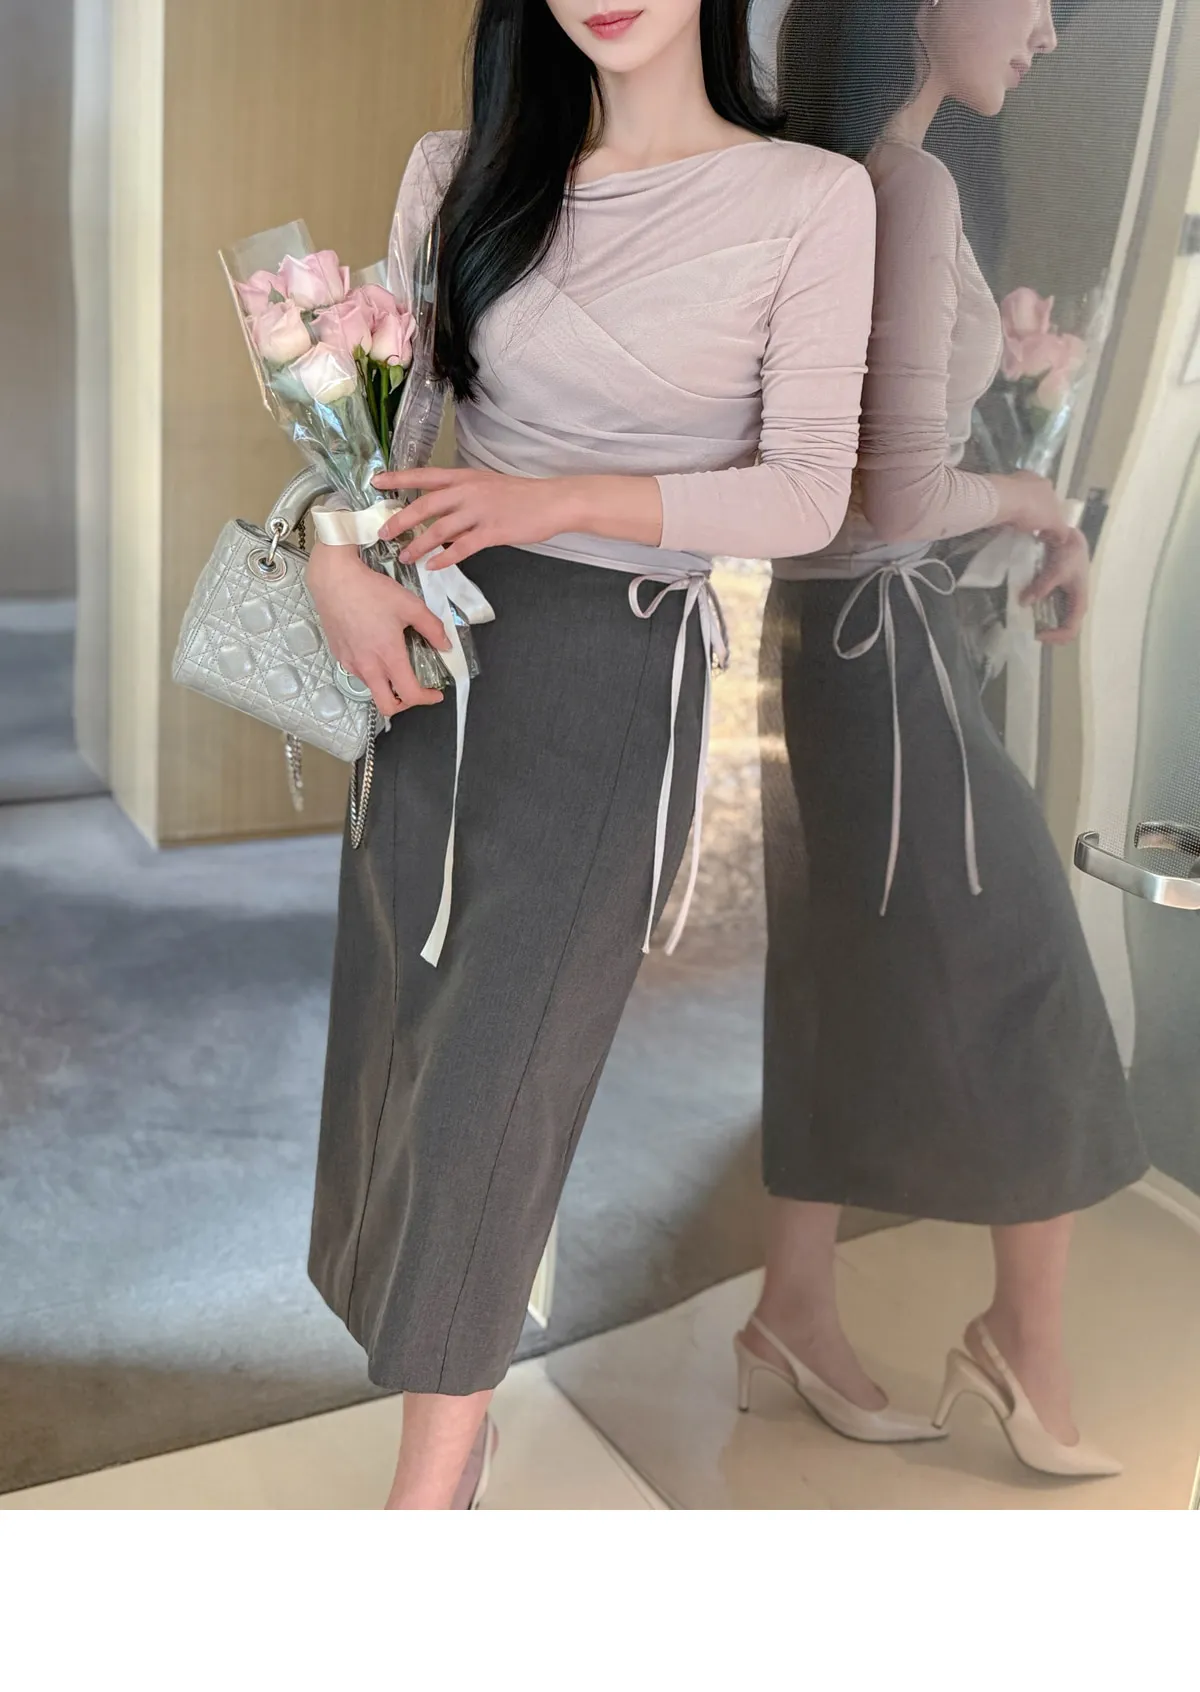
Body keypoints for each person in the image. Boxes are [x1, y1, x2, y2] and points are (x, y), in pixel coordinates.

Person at [302, 0, 876, 1509]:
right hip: (434, 656)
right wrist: (328, 553)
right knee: (406, 1037)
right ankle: (447, 1412)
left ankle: (431, 1489)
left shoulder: (809, 198)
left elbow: (806, 495)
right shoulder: (462, 169)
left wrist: (554, 500)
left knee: (502, 1075)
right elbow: (384, 446)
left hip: (611, 671)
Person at [740, 0, 1148, 1477]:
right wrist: (1040, 504)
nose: (1045, 33)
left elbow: (862, 475)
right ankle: (1018, 1342)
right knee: (1030, 977)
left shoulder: (840, 180)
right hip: (883, 647)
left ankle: (791, 1309)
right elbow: (895, 500)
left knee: (838, 970)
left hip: (836, 641)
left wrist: (1011, 479)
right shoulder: (898, 186)